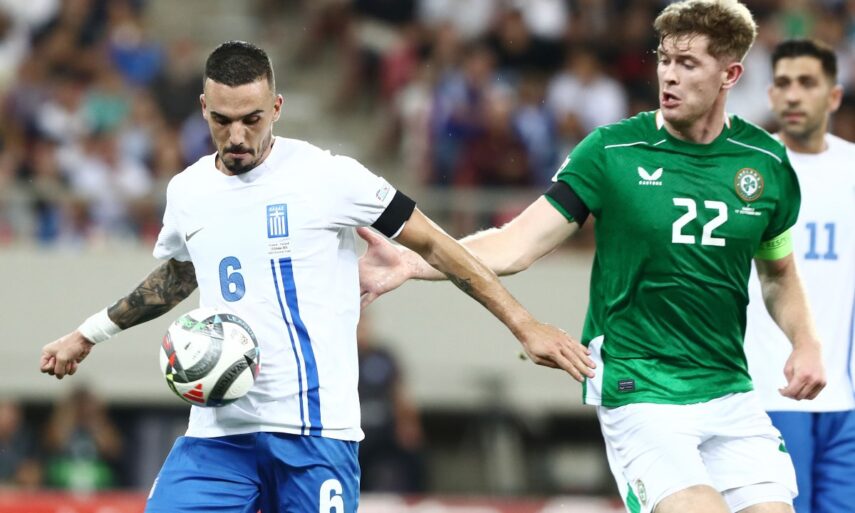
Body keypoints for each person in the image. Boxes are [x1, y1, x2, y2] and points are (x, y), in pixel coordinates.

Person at [38, 40, 592, 513]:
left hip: (315, 437)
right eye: (222, 120)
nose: (237, 136)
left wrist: (524, 324)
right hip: (218, 436)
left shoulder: (329, 178)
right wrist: (89, 333)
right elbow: (180, 275)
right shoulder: (187, 191)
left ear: (276, 108)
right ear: (203, 108)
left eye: (252, 119)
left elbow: (437, 244)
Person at [358, 1, 828, 512]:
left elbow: (778, 273)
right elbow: (516, 244)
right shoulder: (611, 152)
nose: (668, 75)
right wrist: (416, 262)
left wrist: (805, 343)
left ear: (730, 75)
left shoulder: (767, 163)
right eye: (664, 59)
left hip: (730, 389)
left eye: (688, 64)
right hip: (640, 389)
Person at [744, 39, 855, 513]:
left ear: (833, 96)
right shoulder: (748, 169)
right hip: (767, 392)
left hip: (845, 402)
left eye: (807, 83)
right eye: (783, 84)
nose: (792, 95)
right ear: (770, 94)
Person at [356, 315, 425, 493]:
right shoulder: (341, 358)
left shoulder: (383, 356)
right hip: (354, 429)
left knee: (412, 455)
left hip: (384, 427)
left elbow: (399, 392)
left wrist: (408, 424)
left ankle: (413, 498)